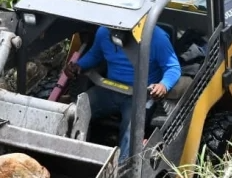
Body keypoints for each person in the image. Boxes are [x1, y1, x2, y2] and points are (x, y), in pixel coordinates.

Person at [64, 26, 181, 162]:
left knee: (132, 129)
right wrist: (79, 65)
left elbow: (173, 68)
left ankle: (123, 167)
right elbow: (95, 54)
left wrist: (164, 85)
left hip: (140, 96)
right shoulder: (104, 32)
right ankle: (67, 153)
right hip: (109, 89)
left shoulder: (157, 38)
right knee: (77, 109)